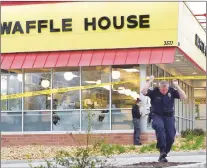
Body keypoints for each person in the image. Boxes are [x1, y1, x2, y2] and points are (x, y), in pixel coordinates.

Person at [141, 76, 187, 162]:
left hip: (169, 117)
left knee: (171, 136)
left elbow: (184, 97)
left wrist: (177, 86)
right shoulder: (154, 92)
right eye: (162, 90)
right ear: (159, 88)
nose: (164, 92)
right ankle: (162, 150)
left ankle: (164, 153)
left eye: (165, 90)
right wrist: (150, 81)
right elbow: (143, 91)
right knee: (160, 127)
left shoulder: (172, 91)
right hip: (157, 116)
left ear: (168, 88)